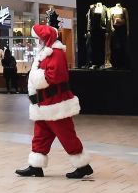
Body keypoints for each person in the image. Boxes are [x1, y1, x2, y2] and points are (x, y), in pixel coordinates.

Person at [16, 24, 93, 179]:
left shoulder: (56, 53)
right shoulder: (45, 53)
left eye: (37, 38)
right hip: (44, 104)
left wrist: (35, 77)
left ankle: (83, 166)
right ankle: (35, 167)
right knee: (40, 135)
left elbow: (56, 75)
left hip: (56, 104)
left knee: (67, 136)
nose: (36, 40)